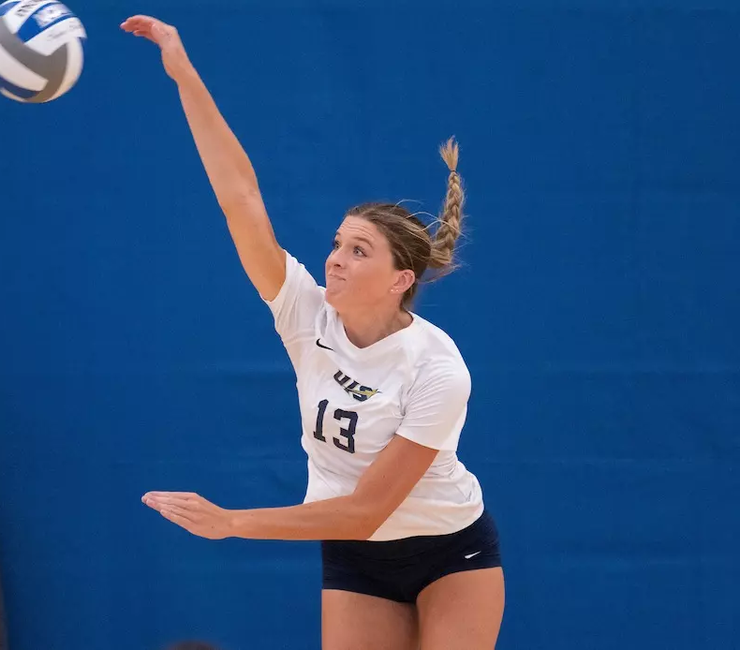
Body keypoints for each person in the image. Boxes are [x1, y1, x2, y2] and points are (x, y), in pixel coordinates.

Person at [123, 15, 505, 650]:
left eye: (359, 251)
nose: (334, 258)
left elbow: (367, 509)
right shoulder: (307, 314)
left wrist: (230, 523)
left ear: (399, 279)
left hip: (448, 551)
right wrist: (184, 75)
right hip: (357, 556)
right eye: (336, 243)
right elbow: (239, 197)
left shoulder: (437, 368)